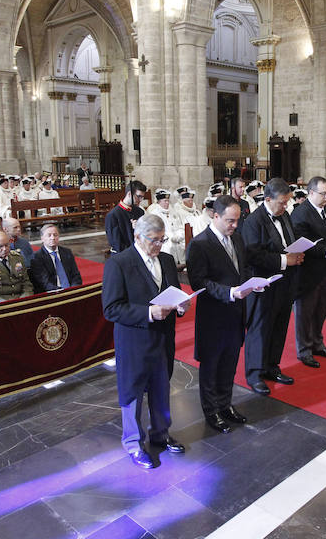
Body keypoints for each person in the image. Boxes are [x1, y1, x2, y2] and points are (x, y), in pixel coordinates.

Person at [102, 214, 188, 469]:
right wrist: (148, 313)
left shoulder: (167, 260)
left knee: (162, 389)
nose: (159, 246)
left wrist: (181, 305)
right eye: (154, 241)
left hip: (162, 339)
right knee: (133, 393)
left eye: (162, 240)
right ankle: (133, 443)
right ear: (138, 237)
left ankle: (161, 433)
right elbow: (111, 309)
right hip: (135, 342)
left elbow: (174, 292)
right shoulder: (119, 264)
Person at [186, 196, 253, 434]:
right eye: (230, 221)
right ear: (215, 216)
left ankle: (226, 404)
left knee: (229, 363)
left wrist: (251, 284)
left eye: (237, 220)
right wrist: (229, 292)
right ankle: (211, 411)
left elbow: (240, 269)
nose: (235, 225)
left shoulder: (236, 238)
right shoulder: (200, 244)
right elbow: (198, 282)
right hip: (213, 316)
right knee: (211, 366)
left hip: (235, 313)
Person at [241, 178, 304, 394]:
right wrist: (287, 260)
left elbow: (287, 241)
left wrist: (297, 252)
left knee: (279, 325)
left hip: (285, 282)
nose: (285, 207)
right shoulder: (253, 221)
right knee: (260, 329)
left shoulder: (284, 215)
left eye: (287, 202)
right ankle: (254, 373)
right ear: (268, 199)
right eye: (282, 202)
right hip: (264, 284)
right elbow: (254, 255)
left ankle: (272, 366)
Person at [292, 176, 326, 364]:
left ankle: (317, 342)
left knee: (322, 309)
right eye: (323, 194)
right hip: (309, 271)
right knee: (305, 312)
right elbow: (302, 243)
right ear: (311, 193)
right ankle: (304, 349)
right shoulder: (300, 213)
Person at [30, 224, 83, 293]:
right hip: (53, 294)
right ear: (42, 238)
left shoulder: (67, 252)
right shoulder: (37, 257)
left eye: (55, 235)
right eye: (49, 235)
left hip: (71, 291)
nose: (52, 238)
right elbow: (44, 282)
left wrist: (73, 289)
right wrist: (60, 292)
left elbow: (76, 275)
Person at [105, 180, 146, 253]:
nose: (141, 200)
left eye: (142, 197)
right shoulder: (113, 215)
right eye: (139, 196)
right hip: (123, 255)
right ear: (129, 194)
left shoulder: (140, 212)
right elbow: (116, 243)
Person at [148, 189, 186, 266]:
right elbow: (156, 232)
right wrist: (171, 236)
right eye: (165, 201)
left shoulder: (173, 212)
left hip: (178, 241)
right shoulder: (154, 214)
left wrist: (179, 235)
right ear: (159, 202)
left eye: (168, 200)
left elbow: (180, 226)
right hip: (165, 242)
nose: (167, 203)